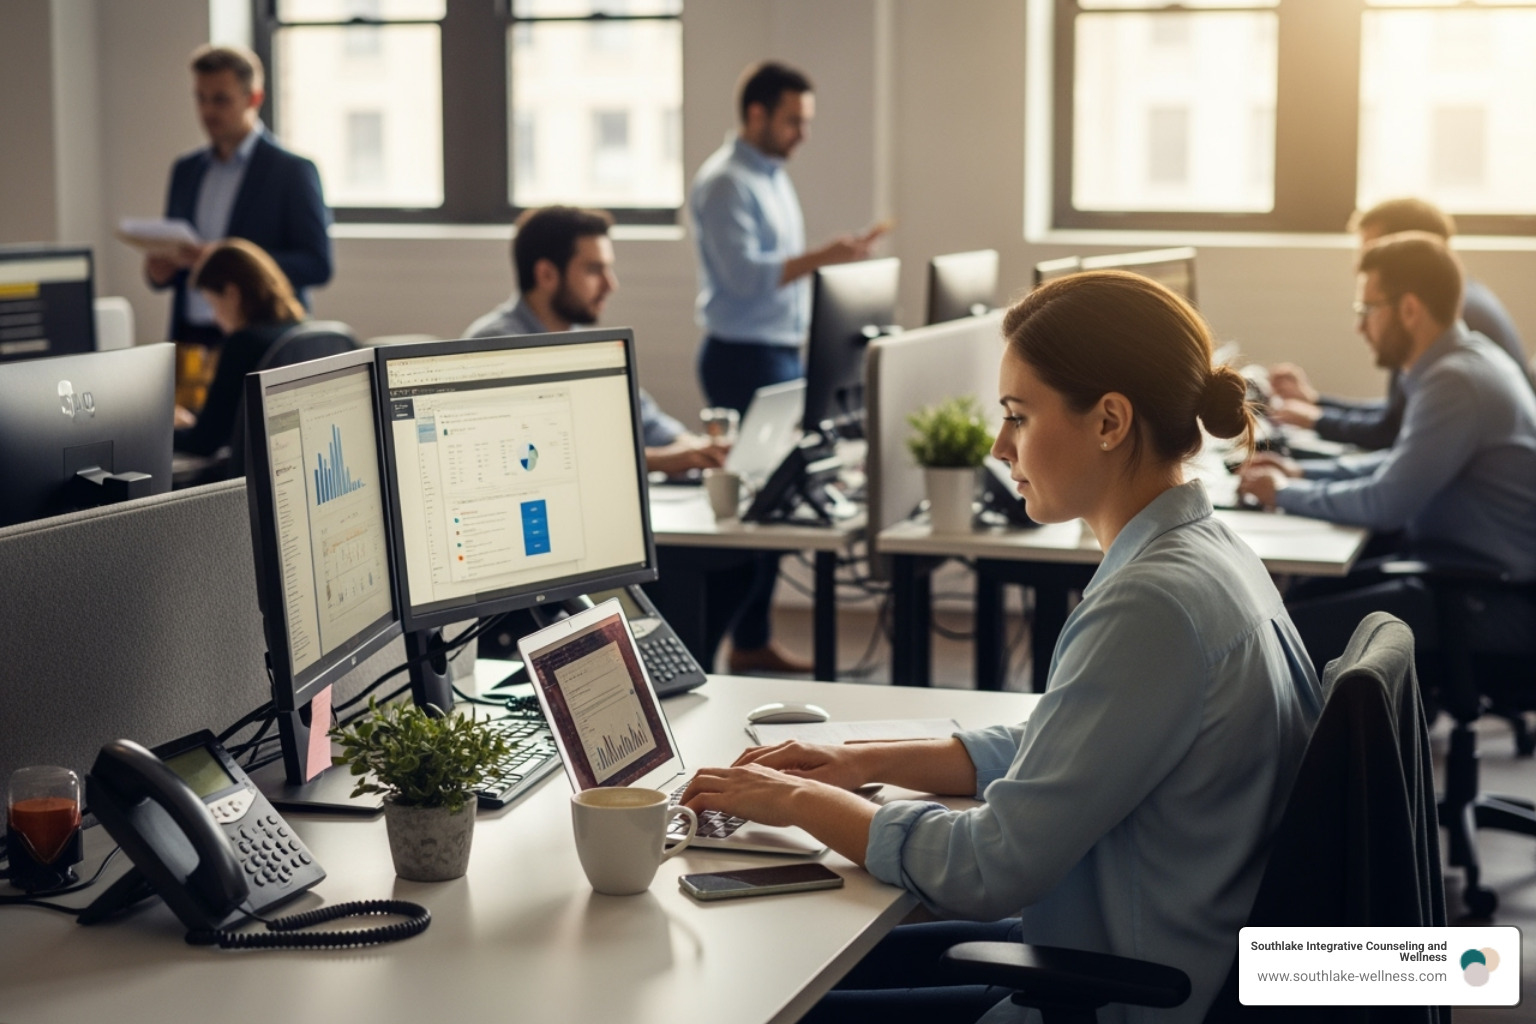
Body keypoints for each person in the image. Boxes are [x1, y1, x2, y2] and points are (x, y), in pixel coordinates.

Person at [682, 271, 1324, 1024]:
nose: (998, 445)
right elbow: (1074, 742)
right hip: (1149, 949)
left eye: (1018, 416)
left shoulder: (1151, 605)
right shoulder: (1210, 553)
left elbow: (985, 867)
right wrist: (868, 761)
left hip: (1126, 993)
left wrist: (799, 801)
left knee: (768, 1000)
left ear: (1110, 420)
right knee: (810, 967)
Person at [1238, 232, 1536, 670]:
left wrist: (1282, 493)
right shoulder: (1466, 361)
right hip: (1464, 574)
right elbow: (1403, 463)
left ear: (1410, 309)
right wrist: (1302, 477)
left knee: (1286, 633)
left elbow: (1387, 502)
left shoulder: (1455, 382)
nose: (1360, 326)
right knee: (1296, 602)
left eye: (1367, 310)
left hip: (1488, 597)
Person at [689, 60, 883, 674]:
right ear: (757, 115)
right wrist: (824, 257)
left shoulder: (770, 176)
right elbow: (747, 277)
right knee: (758, 507)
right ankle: (717, 647)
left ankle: (749, 642)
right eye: (793, 120)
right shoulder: (725, 182)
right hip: (740, 355)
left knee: (776, 497)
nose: (802, 133)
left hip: (775, 349)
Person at [465, 205, 727, 476]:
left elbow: (648, 422)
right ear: (546, 274)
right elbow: (538, 456)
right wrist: (662, 460)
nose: (610, 284)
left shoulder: (583, 343)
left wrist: (697, 449)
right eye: (594, 270)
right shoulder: (494, 347)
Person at [146, 44, 331, 408]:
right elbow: (173, 260)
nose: (208, 111)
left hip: (259, 342)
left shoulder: (292, 171)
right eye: (200, 98)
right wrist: (160, 270)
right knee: (186, 450)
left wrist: (229, 261)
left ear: (254, 98)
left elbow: (317, 264)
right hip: (191, 342)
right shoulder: (186, 170)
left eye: (221, 99)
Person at [1266, 197, 1529, 450]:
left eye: (1372, 251)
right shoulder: (1461, 297)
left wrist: (1315, 420)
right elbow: (1401, 412)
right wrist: (1316, 403)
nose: (1362, 267)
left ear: (1410, 249)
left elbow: (1392, 431)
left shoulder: (1434, 316)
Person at [173, 239, 303, 460]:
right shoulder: (300, 331)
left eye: (212, 304)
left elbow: (204, 443)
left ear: (232, 294)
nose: (214, 317)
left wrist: (163, 431)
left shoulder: (244, 343)